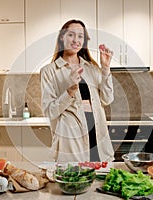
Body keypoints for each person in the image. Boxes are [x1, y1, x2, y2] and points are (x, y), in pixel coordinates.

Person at [40, 19, 115, 162]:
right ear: (62, 37)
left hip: (98, 138)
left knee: (100, 181)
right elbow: (50, 111)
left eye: (80, 36)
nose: (76, 40)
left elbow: (107, 99)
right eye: (71, 35)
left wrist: (105, 69)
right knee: (75, 180)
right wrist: (70, 91)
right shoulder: (49, 72)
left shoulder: (92, 69)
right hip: (71, 142)